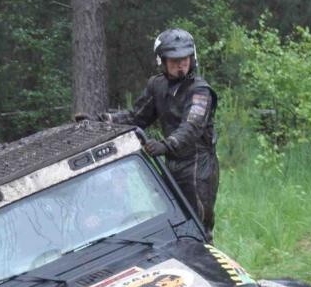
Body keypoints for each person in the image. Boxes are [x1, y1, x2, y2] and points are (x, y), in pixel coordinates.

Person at [78, 29, 219, 239]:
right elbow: (138, 116)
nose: (180, 65)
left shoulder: (200, 91)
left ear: (192, 58)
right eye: (174, 60)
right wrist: (102, 121)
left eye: (184, 59)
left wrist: (166, 145)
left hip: (197, 167)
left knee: (198, 227)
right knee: (173, 222)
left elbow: (192, 127)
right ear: (162, 61)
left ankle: (207, 267)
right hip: (172, 164)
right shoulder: (158, 85)